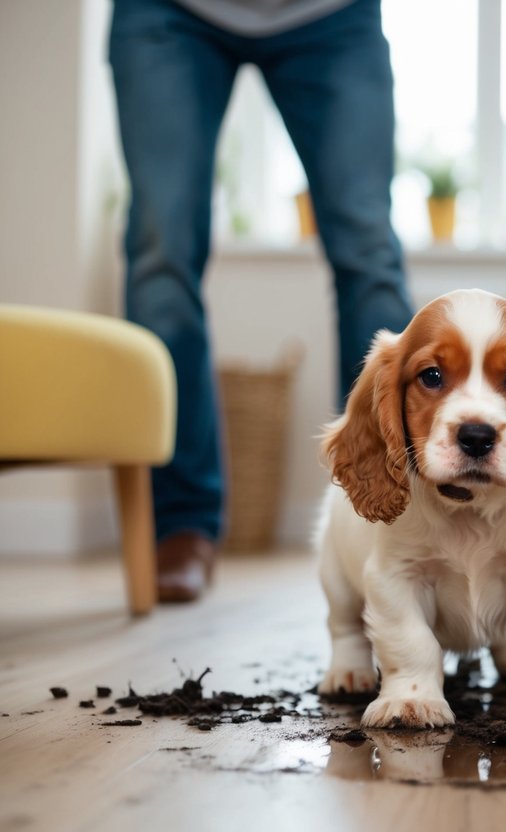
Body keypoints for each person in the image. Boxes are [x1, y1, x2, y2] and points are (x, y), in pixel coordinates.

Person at [109, 0, 413, 602]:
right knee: (159, 252)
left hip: (333, 13)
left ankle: (391, 508)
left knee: (368, 254)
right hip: (167, 14)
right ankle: (183, 522)